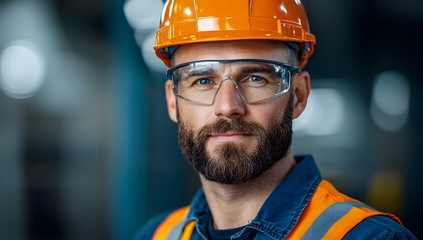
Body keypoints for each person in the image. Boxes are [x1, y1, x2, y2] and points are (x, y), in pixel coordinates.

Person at [136, 0, 416, 239]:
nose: (227, 106)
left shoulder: (366, 236)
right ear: (173, 102)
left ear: (299, 95)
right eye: (203, 80)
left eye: (256, 78)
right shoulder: (157, 234)